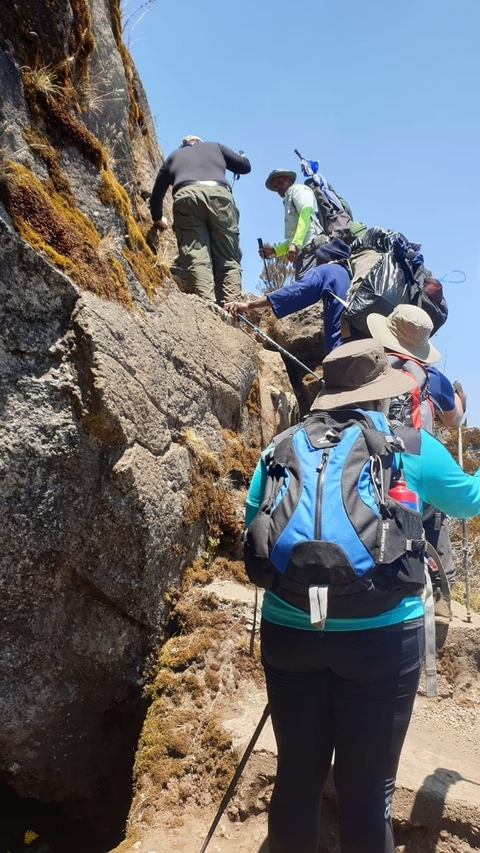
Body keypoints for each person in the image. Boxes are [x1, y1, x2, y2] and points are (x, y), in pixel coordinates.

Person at [245, 339, 480, 853]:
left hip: (289, 632)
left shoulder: (279, 447)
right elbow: (470, 501)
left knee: (296, 779)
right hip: (380, 638)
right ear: (381, 394)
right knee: (368, 794)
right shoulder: (411, 446)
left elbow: (255, 529)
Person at [366, 305, 467, 620]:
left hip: (371, 457)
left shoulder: (370, 363)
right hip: (415, 457)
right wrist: (460, 399)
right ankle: (441, 591)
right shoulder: (433, 378)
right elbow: (454, 420)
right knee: (434, 513)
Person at [225, 238, 360, 415]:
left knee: (340, 415)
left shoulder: (327, 270)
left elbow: (296, 291)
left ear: (323, 258)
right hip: (363, 354)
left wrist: (250, 305)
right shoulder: (351, 275)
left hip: (341, 357)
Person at [149, 135, 251, 304]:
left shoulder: (174, 156)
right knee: (228, 257)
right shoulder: (216, 147)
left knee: (196, 255)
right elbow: (245, 166)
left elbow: (157, 195)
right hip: (219, 196)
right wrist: (243, 157)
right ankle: (232, 307)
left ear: (183, 145)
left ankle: (208, 305)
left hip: (186, 196)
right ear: (199, 143)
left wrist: (158, 218)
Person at [260, 168, 327, 279]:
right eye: (275, 186)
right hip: (303, 254)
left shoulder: (298, 190)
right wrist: (274, 251)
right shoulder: (288, 199)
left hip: (311, 249)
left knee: (307, 287)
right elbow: (293, 238)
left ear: (289, 179)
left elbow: (305, 212)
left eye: (280, 182)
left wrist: (295, 244)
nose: (278, 188)